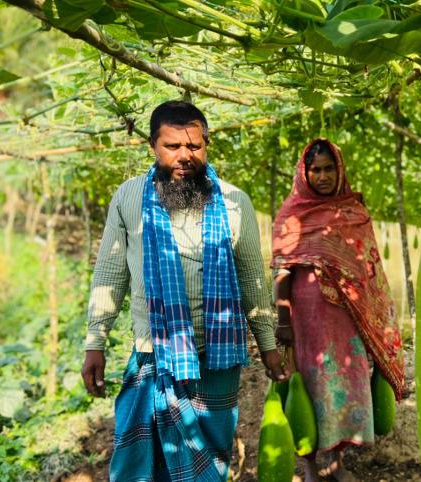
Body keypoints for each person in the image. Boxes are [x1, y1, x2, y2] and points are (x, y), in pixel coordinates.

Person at [80, 100, 288, 482]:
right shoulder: (128, 198)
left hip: (216, 360)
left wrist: (269, 346)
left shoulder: (234, 202)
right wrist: (96, 342)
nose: (184, 156)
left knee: (209, 464)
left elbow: (252, 279)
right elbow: (110, 273)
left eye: (194, 146)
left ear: (206, 145)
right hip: (154, 356)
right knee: (143, 465)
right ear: (152, 146)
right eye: (172, 146)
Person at [271, 138, 405, 482]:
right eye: (315, 170)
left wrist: (373, 318)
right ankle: (310, 465)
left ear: (339, 170)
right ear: (304, 173)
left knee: (344, 381)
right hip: (308, 317)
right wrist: (283, 321)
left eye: (329, 168)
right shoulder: (292, 214)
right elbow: (282, 272)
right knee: (310, 385)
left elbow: (367, 267)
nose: (323, 176)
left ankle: (335, 459)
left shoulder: (353, 212)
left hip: (346, 317)